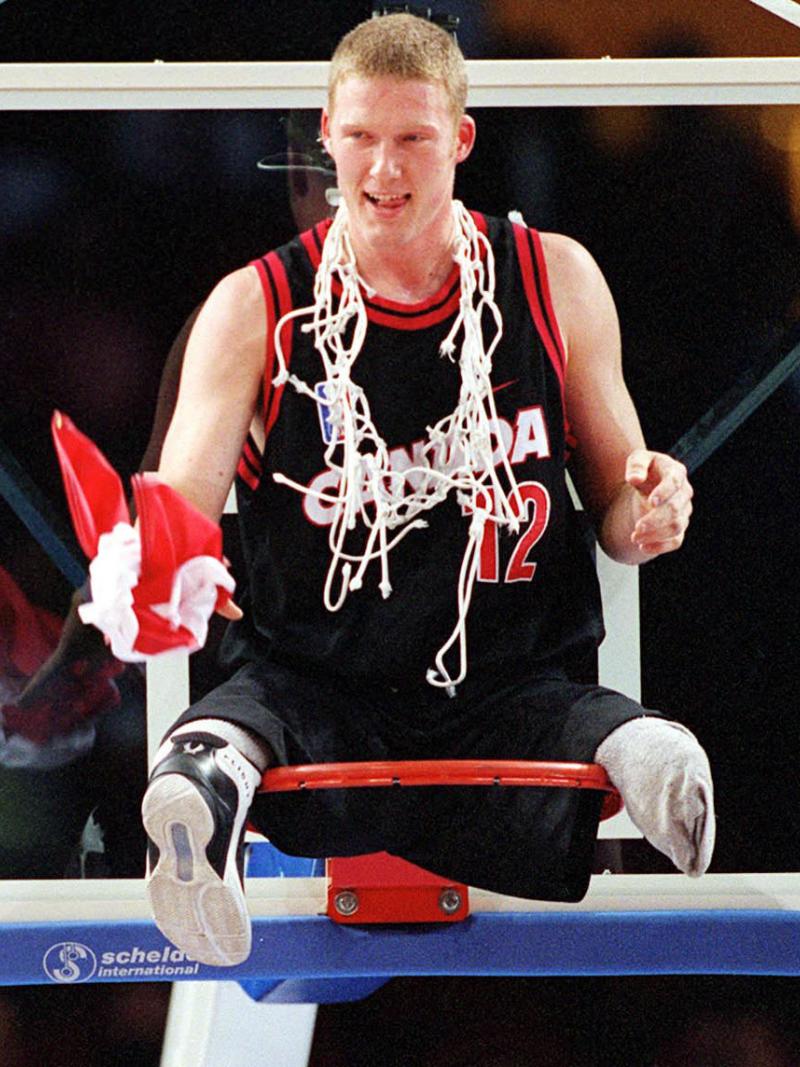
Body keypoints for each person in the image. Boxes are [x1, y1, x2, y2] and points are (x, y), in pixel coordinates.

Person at [102, 13, 715, 966]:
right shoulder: (255, 304)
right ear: (327, 134)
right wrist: (148, 570)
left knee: (591, 720)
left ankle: (650, 761)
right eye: (360, 139)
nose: (383, 169)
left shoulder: (553, 278)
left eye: (413, 139)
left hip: (509, 675)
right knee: (233, 725)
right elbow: (180, 505)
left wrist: (655, 506)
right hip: (317, 677)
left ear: (461, 140)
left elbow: (619, 517)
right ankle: (199, 817)